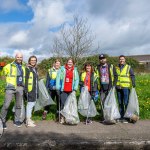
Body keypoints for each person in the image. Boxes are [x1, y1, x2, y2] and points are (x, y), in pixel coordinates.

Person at [0, 52, 26, 129]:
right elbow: (2, 73)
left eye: (21, 57)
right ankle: (2, 121)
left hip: (20, 87)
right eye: (18, 57)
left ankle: (17, 120)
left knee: (18, 105)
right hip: (10, 88)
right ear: (15, 57)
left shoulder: (23, 67)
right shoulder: (9, 66)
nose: (19, 58)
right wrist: (1, 68)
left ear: (22, 58)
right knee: (6, 105)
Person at [56, 58, 79, 124]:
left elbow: (77, 79)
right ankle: (62, 117)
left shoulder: (75, 70)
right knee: (63, 103)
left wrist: (75, 88)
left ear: (73, 63)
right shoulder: (62, 69)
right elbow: (58, 78)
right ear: (66, 62)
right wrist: (57, 87)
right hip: (63, 89)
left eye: (71, 62)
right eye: (69, 62)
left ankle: (68, 117)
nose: (70, 63)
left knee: (70, 104)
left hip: (71, 90)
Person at [95, 54, 118, 120]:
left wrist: (114, 85)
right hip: (101, 88)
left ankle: (111, 116)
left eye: (103, 58)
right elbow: (96, 78)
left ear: (106, 59)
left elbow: (116, 76)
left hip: (110, 87)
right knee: (103, 102)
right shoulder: (97, 67)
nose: (102, 60)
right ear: (99, 60)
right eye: (101, 59)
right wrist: (97, 87)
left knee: (111, 102)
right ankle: (104, 116)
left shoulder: (111, 66)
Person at [116, 55, 135, 123]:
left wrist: (133, 83)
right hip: (118, 87)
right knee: (120, 103)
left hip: (126, 87)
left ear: (125, 60)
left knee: (126, 102)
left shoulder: (128, 67)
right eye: (120, 59)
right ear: (119, 60)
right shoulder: (116, 68)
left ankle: (127, 117)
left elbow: (132, 75)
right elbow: (115, 76)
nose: (121, 60)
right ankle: (121, 117)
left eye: (122, 59)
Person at [25, 56, 39, 127]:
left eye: (34, 60)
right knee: (30, 105)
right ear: (29, 61)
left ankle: (29, 119)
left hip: (35, 89)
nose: (33, 61)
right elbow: (26, 80)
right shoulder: (27, 69)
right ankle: (28, 121)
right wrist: (26, 90)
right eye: (32, 60)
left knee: (32, 104)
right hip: (30, 90)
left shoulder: (35, 69)